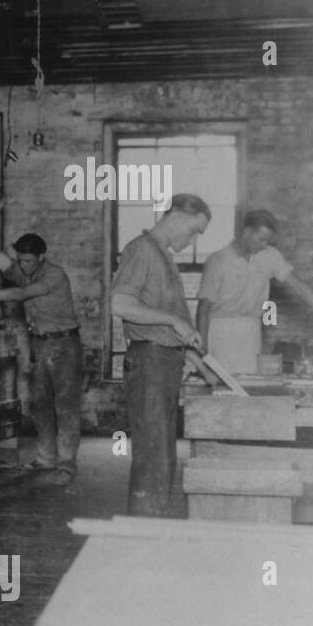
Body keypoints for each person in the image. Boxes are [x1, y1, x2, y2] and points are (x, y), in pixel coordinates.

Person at [0, 188, 81, 485]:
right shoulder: (23, 270)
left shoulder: (53, 275)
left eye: (28, 260)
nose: (22, 264)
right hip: (40, 343)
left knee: (65, 405)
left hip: (64, 343)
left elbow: (19, 294)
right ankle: (46, 458)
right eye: (20, 260)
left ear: (41, 257)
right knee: (40, 403)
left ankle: (67, 463)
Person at [110, 193, 210, 518]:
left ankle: (155, 524)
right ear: (177, 218)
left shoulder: (162, 256)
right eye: (194, 231)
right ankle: (143, 530)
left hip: (163, 363)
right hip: (149, 364)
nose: (194, 239)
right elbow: (120, 305)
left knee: (163, 452)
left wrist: (195, 360)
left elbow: (167, 327)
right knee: (152, 454)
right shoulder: (142, 251)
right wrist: (174, 320)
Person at [197, 210, 313, 374]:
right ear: (247, 231)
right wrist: (202, 349)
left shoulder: (270, 256)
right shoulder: (218, 261)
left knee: (250, 386)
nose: (264, 245)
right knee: (222, 387)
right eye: (262, 239)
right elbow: (203, 308)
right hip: (220, 331)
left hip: (251, 330)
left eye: (267, 241)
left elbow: (297, 284)